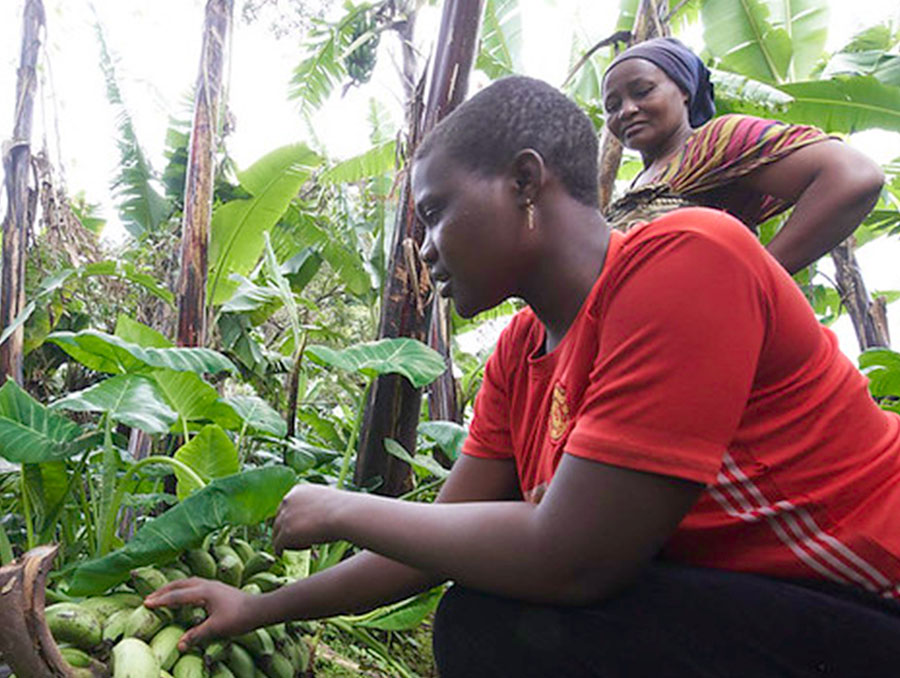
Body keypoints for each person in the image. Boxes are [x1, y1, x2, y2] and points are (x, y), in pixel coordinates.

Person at [145, 76, 900, 677]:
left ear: (526, 182)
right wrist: (262, 607)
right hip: (781, 610)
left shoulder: (687, 259)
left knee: (500, 629)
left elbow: (572, 560)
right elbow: (434, 540)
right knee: (489, 619)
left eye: (436, 212)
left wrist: (342, 509)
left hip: (871, 597)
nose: (428, 250)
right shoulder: (520, 354)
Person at [601, 37, 884, 275]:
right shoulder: (635, 187)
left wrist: (759, 279)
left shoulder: (713, 143)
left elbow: (854, 175)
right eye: (612, 106)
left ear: (684, 90)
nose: (626, 110)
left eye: (642, 91)